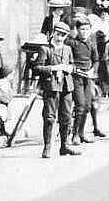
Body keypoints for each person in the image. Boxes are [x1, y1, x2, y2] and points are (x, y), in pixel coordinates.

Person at [34, 20, 79, 157]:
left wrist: (70, 68)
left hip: (66, 86)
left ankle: (64, 146)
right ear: (53, 33)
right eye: (58, 34)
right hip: (52, 86)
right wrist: (54, 68)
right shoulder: (45, 49)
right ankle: (47, 147)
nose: (60, 38)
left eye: (63, 35)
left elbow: (73, 65)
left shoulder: (68, 49)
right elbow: (37, 68)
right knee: (49, 117)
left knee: (66, 116)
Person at [67, 15, 99, 145]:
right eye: (82, 29)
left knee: (87, 106)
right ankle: (75, 135)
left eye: (87, 29)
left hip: (88, 77)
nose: (84, 32)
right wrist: (74, 68)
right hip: (76, 77)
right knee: (80, 105)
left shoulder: (91, 43)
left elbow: (96, 60)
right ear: (77, 30)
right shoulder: (71, 43)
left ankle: (81, 133)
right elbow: (67, 59)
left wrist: (92, 70)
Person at [89, 0, 109, 98]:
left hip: (108, 48)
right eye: (102, 13)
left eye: (106, 13)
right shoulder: (96, 22)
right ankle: (101, 89)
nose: (104, 15)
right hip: (98, 47)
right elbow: (92, 33)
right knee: (99, 68)